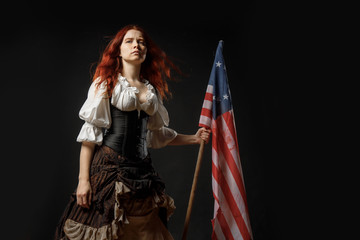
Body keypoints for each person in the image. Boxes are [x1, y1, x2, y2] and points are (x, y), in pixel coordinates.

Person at [54, 24, 211, 240]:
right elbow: (89, 138)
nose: (136, 45)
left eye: (141, 41)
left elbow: (157, 134)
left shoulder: (151, 91)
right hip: (110, 172)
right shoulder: (106, 85)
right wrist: (84, 181)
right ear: (118, 50)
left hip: (142, 173)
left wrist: (194, 138)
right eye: (129, 41)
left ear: (146, 51)